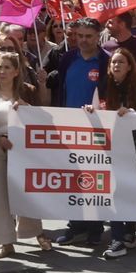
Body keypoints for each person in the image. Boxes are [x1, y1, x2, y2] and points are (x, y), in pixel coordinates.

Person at [0, 50, 46, 259]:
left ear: (16, 71)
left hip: (23, 150)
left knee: (26, 193)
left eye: (7, 68)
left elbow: (43, 118)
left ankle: (36, 232)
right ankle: (5, 243)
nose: (2, 71)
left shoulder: (28, 91)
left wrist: (28, 107)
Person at [51, 18, 106, 248]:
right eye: (80, 35)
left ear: (98, 36)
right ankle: (75, 225)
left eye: (88, 36)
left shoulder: (105, 61)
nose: (83, 40)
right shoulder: (67, 58)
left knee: (95, 180)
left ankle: (95, 227)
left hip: (96, 129)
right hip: (68, 127)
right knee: (72, 179)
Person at [95, 49, 136, 259]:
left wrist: (132, 113)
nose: (116, 66)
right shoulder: (103, 86)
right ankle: (118, 239)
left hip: (133, 148)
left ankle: (129, 232)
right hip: (111, 148)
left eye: (121, 62)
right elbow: (97, 108)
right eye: (113, 63)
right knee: (115, 192)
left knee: (129, 191)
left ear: (129, 66)